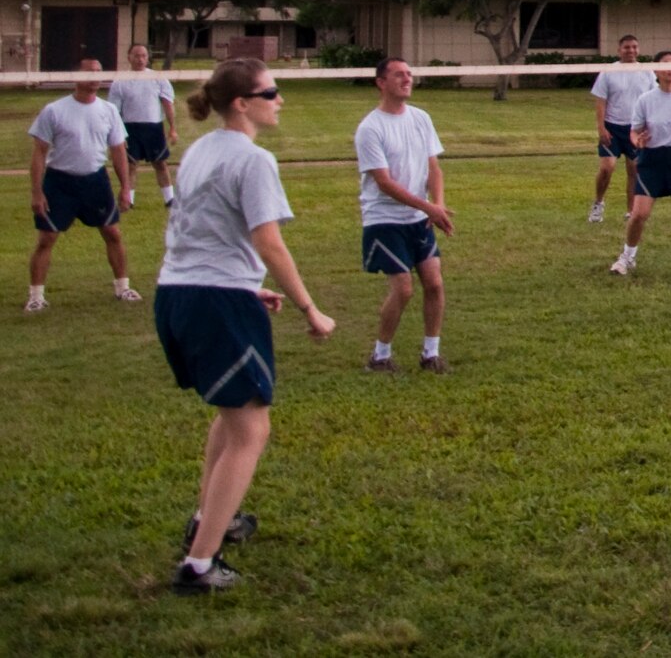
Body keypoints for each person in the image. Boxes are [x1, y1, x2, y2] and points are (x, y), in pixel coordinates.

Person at [154, 59, 335, 593]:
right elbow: (268, 240)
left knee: (232, 417)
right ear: (242, 103)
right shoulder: (252, 160)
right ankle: (199, 566)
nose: (280, 100)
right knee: (253, 428)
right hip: (213, 302)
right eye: (271, 92)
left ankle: (209, 519)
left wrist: (243, 285)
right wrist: (310, 308)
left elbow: (198, 229)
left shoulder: (203, 150)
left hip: (180, 293)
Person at [356, 58, 452, 374]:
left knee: (435, 284)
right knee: (403, 288)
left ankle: (430, 355)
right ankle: (380, 357)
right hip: (383, 220)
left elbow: (433, 168)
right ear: (381, 83)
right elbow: (383, 183)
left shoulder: (421, 118)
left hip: (418, 218)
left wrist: (437, 203)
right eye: (399, 74)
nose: (407, 79)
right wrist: (429, 208)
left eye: (409, 74)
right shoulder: (370, 128)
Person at [26, 58, 138, 312]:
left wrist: (125, 188)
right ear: (75, 76)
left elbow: (119, 151)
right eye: (90, 72)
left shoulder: (109, 110)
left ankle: (123, 288)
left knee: (112, 233)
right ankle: (36, 296)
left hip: (95, 181)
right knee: (47, 238)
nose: (96, 76)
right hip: (60, 182)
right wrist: (37, 192)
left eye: (100, 71)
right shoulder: (54, 110)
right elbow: (39, 153)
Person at [615, 52, 671, 277]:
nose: (670, 69)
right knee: (639, 214)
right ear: (656, 70)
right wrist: (637, 140)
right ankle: (627, 257)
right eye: (665, 65)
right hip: (652, 159)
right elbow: (635, 130)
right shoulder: (646, 100)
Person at [588, 34, 656, 224]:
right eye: (627, 47)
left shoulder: (647, 72)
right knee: (607, 167)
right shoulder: (609, 72)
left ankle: (631, 211)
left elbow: (652, 101)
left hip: (635, 129)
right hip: (613, 128)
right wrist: (601, 128)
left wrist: (647, 128)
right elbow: (601, 101)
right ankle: (598, 203)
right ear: (619, 50)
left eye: (634, 47)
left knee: (634, 169)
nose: (631, 51)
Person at [106, 43, 178, 209]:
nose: (140, 59)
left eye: (144, 56)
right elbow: (114, 111)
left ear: (148, 58)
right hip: (131, 129)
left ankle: (170, 200)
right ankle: (129, 200)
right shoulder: (120, 81)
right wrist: (118, 135)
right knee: (131, 165)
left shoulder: (158, 77)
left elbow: (167, 103)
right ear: (129, 58)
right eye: (136, 56)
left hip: (154, 128)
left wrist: (172, 128)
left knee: (160, 163)